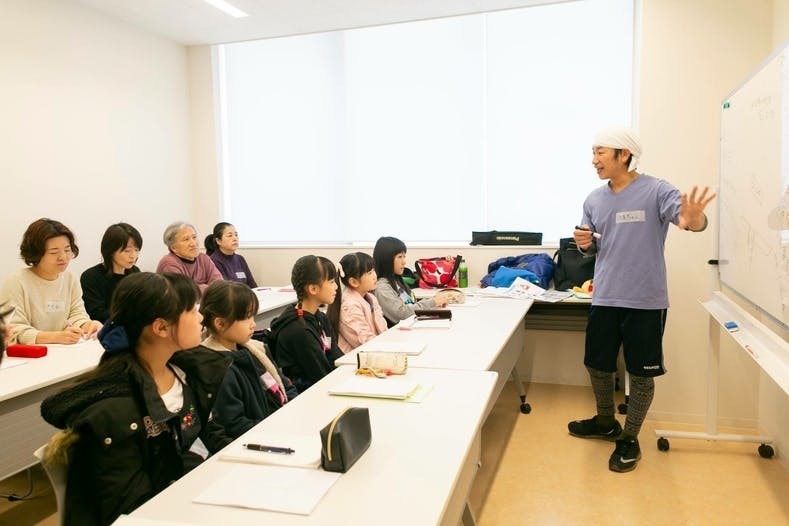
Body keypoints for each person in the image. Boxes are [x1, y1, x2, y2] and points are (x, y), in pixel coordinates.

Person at [566, 128, 715, 473]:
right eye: (593, 152)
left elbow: (691, 221)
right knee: (597, 364)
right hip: (605, 296)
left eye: (600, 152)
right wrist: (585, 244)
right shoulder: (593, 199)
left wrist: (695, 220)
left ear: (624, 155)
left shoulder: (657, 190)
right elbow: (593, 245)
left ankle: (629, 438)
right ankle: (606, 422)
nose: (594, 160)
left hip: (646, 301)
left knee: (641, 374)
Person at [40, 272, 233, 526]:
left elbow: (207, 433)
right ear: (161, 327)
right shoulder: (114, 412)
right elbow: (129, 508)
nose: (200, 317)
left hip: (191, 498)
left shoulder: (185, 373)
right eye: (192, 309)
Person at [198, 280, 297, 439]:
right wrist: (279, 427)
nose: (253, 324)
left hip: (283, 424)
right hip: (262, 438)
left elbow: (286, 385)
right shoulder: (216, 368)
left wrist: (294, 411)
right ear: (220, 323)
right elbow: (235, 424)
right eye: (247, 317)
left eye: (253, 316)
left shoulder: (256, 349)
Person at [0, 218, 102, 344]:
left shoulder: (70, 279)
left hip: (63, 351)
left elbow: (76, 314)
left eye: (67, 250)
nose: (63, 257)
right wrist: (55, 337)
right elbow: (13, 329)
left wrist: (88, 325)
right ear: (36, 253)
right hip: (29, 353)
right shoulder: (16, 282)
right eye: (54, 252)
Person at [267, 255, 343, 392]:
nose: (336, 287)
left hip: (329, 384)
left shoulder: (320, 317)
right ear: (313, 289)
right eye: (332, 282)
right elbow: (321, 376)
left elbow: (336, 356)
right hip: (310, 394)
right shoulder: (299, 331)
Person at [372, 236, 452, 326]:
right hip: (400, 331)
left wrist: (435, 301)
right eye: (400, 257)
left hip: (412, 325)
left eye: (404, 256)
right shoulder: (382, 288)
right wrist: (432, 302)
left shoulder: (396, 281)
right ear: (386, 260)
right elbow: (402, 314)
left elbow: (411, 304)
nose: (404, 262)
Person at [80, 223, 143, 323]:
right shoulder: (91, 277)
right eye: (127, 251)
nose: (133, 256)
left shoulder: (135, 272)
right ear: (110, 251)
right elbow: (96, 313)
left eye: (136, 250)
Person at [327, 252, 387, 353]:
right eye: (369, 273)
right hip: (357, 357)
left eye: (373, 270)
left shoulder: (371, 298)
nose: (375, 276)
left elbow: (383, 328)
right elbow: (364, 341)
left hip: (376, 350)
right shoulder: (349, 305)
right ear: (354, 282)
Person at [156, 222, 222, 295]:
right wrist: (209, 288)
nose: (193, 243)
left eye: (194, 237)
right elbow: (185, 293)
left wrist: (198, 288)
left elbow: (219, 285)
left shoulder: (203, 258)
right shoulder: (169, 263)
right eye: (186, 239)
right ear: (173, 247)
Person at [204, 222, 258, 288]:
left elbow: (252, 285)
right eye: (230, 236)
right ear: (218, 241)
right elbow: (226, 289)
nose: (235, 238)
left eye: (236, 235)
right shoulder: (213, 261)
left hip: (245, 294)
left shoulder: (240, 259)